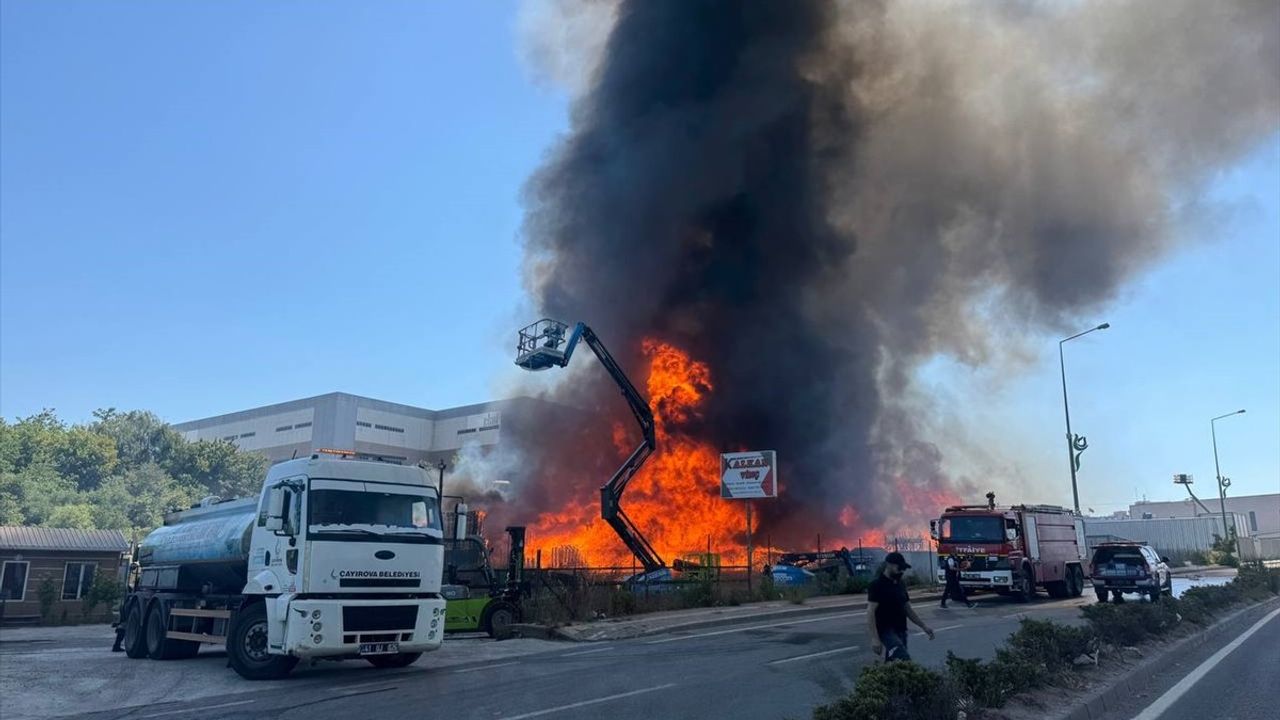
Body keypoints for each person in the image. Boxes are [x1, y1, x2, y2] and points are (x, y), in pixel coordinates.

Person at [867, 552, 934, 662]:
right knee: (904, 659)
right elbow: (870, 612)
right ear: (889, 565)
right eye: (900, 568)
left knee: (894, 664)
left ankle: (885, 679)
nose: (902, 571)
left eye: (903, 568)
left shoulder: (900, 584)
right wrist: (875, 638)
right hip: (886, 631)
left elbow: (907, 609)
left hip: (901, 629)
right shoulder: (877, 585)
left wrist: (924, 627)